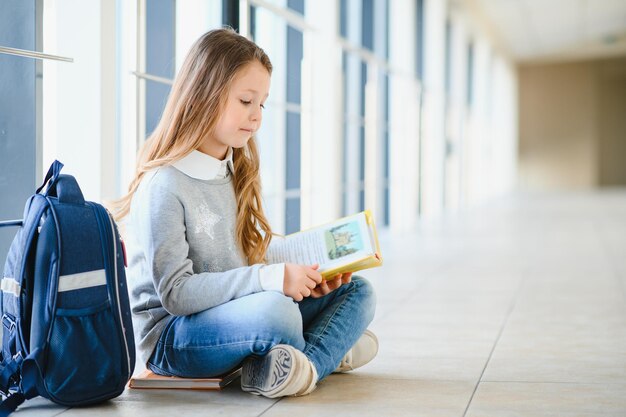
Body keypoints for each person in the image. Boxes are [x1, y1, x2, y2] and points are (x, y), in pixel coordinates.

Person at [112, 28, 377, 398]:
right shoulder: (163, 186)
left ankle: (303, 364)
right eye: (246, 101)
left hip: (233, 312)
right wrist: (269, 278)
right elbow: (177, 294)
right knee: (277, 314)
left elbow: (238, 264)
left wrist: (309, 275)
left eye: (262, 104)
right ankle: (325, 351)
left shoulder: (229, 169)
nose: (256, 117)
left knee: (358, 292)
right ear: (205, 94)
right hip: (174, 338)